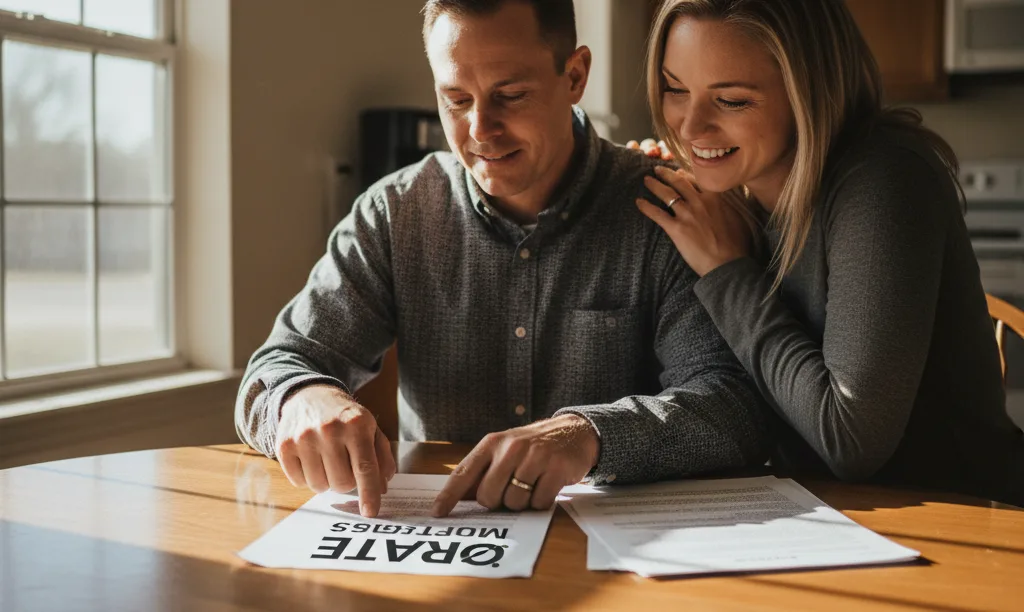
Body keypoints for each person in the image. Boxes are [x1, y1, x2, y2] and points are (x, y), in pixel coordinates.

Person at [235, 0, 769, 519]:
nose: (480, 130)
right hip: (440, 551)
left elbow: (729, 406)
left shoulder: (663, 209)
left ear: (575, 75)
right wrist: (301, 397)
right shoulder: (395, 214)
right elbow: (276, 369)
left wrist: (588, 436)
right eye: (456, 99)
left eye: (510, 95)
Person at [634, 0, 1024, 505]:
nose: (689, 127)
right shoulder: (742, 193)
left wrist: (726, 270)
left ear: (808, 91)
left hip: (970, 524)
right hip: (821, 515)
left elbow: (850, 442)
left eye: (730, 100)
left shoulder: (884, 181)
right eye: (675, 89)